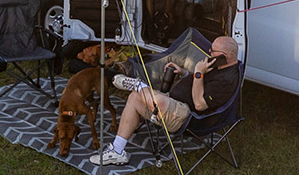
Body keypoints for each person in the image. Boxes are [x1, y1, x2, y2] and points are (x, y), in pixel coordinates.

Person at [89, 35, 239, 167]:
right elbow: (201, 83)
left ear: (224, 55)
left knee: (155, 101)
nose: (209, 53)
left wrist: (199, 73)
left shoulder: (227, 80)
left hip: (189, 117)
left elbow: (199, 105)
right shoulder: (219, 64)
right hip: (174, 103)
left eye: (213, 51)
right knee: (134, 97)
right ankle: (117, 150)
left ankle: (140, 86)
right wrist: (185, 72)